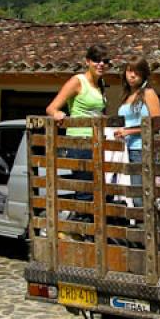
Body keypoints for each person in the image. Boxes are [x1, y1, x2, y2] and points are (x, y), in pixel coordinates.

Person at [45, 45, 109, 209]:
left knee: (96, 189)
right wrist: (58, 114)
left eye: (105, 61)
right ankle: (82, 229)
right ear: (88, 61)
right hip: (80, 142)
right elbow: (51, 108)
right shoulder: (77, 81)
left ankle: (87, 228)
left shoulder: (100, 83)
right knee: (85, 189)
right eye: (96, 60)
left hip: (96, 141)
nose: (101, 64)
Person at [114, 56, 160, 208]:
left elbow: (157, 123)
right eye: (129, 71)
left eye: (137, 72)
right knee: (129, 194)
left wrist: (129, 131)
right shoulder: (127, 95)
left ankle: (144, 228)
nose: (132, 75)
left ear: (144, 74)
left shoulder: (148, 93)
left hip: (142, 149)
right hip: (126, 150)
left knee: (140, 195)